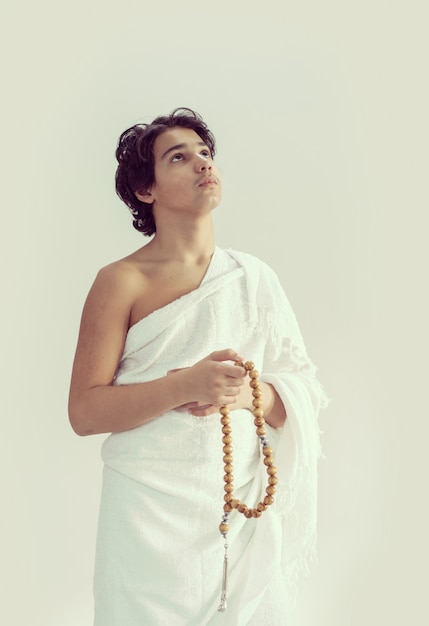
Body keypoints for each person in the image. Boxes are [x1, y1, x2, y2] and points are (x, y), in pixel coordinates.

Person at [68, 107, 326, 626]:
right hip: (145, 517)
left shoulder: (253, 277)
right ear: (147, 191)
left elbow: (304, 391)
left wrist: (246, 394)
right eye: (178, 158)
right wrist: (182, 385)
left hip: (241, 509)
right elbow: (84, 412)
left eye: (205, 154)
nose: (202, 164)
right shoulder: (120, 281)